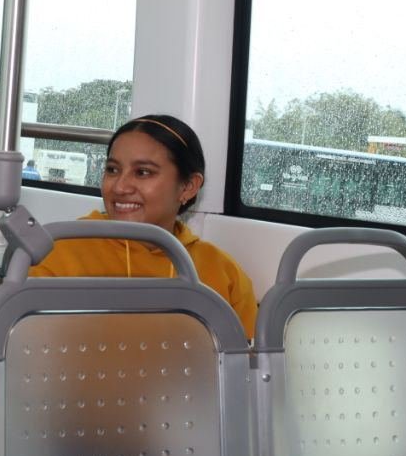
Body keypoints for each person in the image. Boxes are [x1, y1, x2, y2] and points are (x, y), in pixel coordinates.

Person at [30, 115, 258, 338]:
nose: (120, 187)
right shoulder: (59, 253)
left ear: (188, 186)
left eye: (143, 172)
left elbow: (246, 358)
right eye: (112, 170)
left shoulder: (224, 274)